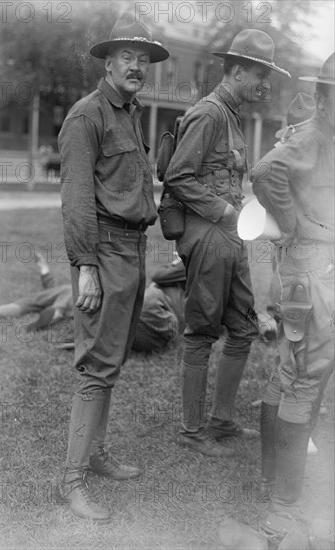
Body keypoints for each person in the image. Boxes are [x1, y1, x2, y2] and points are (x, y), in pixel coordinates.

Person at [57, 13, 169, 522]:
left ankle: (96, 455)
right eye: (128, 56)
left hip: (132, 251)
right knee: (95, 367)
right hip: (102, 252)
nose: (137, 66)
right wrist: (85, 267)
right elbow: (77, 198)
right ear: (107, 61)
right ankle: (72, 481)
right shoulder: (88, 115)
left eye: (144, 59)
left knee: (113, 359)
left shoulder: (130, 111)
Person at [163, 29, 291, 458]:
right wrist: (226, 214)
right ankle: (191, 430)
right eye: (259, 74)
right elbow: (178, 176)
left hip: (230, 238)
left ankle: (221, 420)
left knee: (242, 327)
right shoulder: (210, 115)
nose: (265, 84)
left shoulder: (231, 115)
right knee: (201, 331)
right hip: (208, 236)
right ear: (236, 71)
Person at [250, 52, 334, 541]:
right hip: (314, 274)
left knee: (289, 376)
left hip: (312, 272)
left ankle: (271, 483)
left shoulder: (325, 136)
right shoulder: (312, 138)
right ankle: (283, 508)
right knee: (305, 381)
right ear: (323, 97)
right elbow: (264, 172)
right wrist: (294, 223)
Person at [0, 253, 185, 353]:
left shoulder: (188, 271)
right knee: (52, 294)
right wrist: (44, 269)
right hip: (142, 316)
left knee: (65, 294)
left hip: (148, 317)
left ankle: (57, 315)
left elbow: (160, 275)